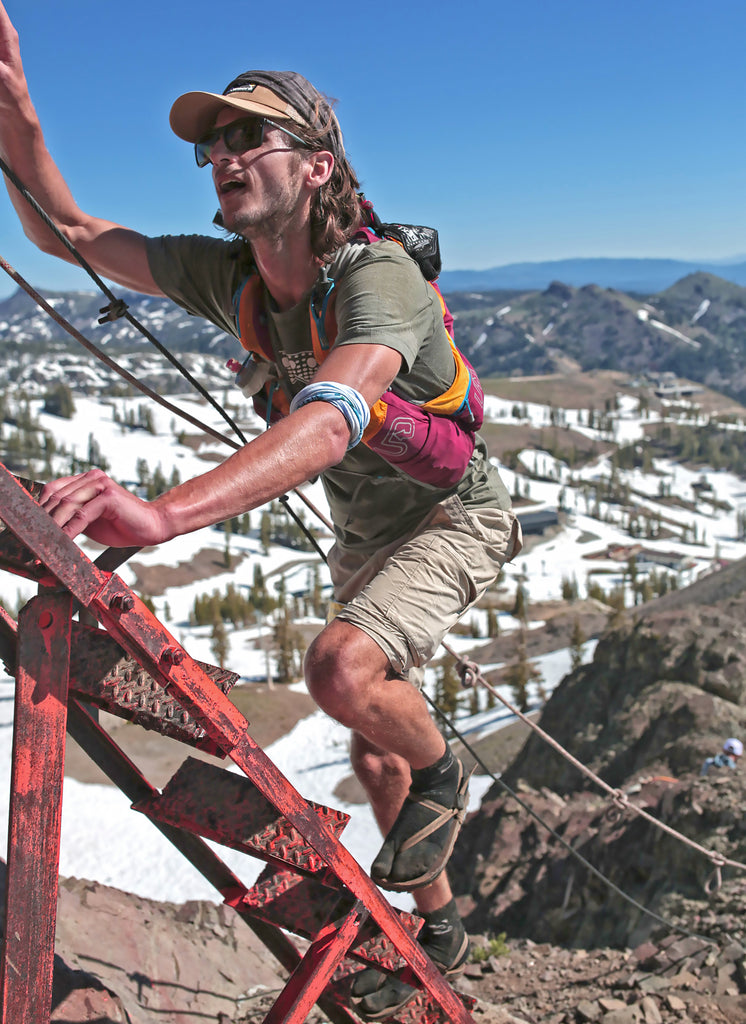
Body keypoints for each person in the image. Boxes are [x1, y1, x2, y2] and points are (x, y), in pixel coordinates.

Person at [0, 6, 521, 1016]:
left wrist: (160, 515)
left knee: (342, 671)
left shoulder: (380, 278)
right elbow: (68, 233)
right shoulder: (236, 280)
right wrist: (16, 111)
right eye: (211, 144)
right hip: (368, 534)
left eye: (250, 135)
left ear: (319, 164)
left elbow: (330, 421)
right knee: (370, 746)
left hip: (446, 519)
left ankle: (442, 768)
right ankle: (440, 915)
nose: (223, 155)